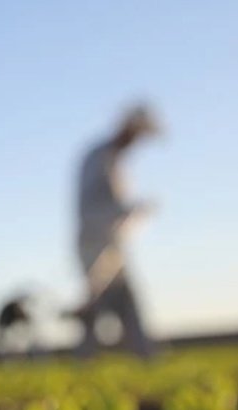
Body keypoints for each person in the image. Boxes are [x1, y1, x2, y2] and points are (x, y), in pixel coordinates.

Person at [67, 104, 161, 359]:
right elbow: (95, 206)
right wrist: (133, 210)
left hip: (112, 244)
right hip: (95, 243)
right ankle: (86, 361)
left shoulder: (115, 160)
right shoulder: (100, 158)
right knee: (97, 304)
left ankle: (145, 356)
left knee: (125, 301)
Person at [0, 291, 37, 358]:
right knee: (3, 342)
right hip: (4, 323)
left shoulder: (16, 307)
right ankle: (1, 356)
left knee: (7, 340)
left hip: (7, 323)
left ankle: (7, 354)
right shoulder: (13, 307)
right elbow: (19, 314)